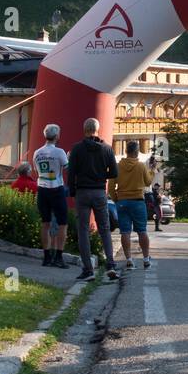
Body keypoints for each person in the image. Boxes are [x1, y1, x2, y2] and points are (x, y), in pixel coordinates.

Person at [67, 118, 119, 282]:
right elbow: (114, 173)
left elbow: (71, 172)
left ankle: (88, 269)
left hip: (82, 192)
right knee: (104, 228)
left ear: (84, 129)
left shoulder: (76, 149)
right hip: (99, 192)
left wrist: (73, 191)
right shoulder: (107, 149)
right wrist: (103, 175)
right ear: (98, 129)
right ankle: (110, 264)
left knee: (83, 230)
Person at [111, 140, 155, 271]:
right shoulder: (141, 166)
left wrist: (117, 200)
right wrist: (152, 171)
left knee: (125, 232)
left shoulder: (118, 166)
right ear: (136, 152)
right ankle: (146, 259)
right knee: (142, 231)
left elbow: (111, 187)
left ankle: (129, 260)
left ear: (126, 151)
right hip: (137, 202)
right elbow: (148, 182)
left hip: (122, 202)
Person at [33, 124, 70, 269]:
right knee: (62, 223)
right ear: (57, 136)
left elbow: (36, 171)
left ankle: (46, 256)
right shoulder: (60, 152)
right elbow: (67, 168)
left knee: (45, 222)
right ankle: (59, 256)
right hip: (56, 188)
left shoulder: (37, 152)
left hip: (42, 188)